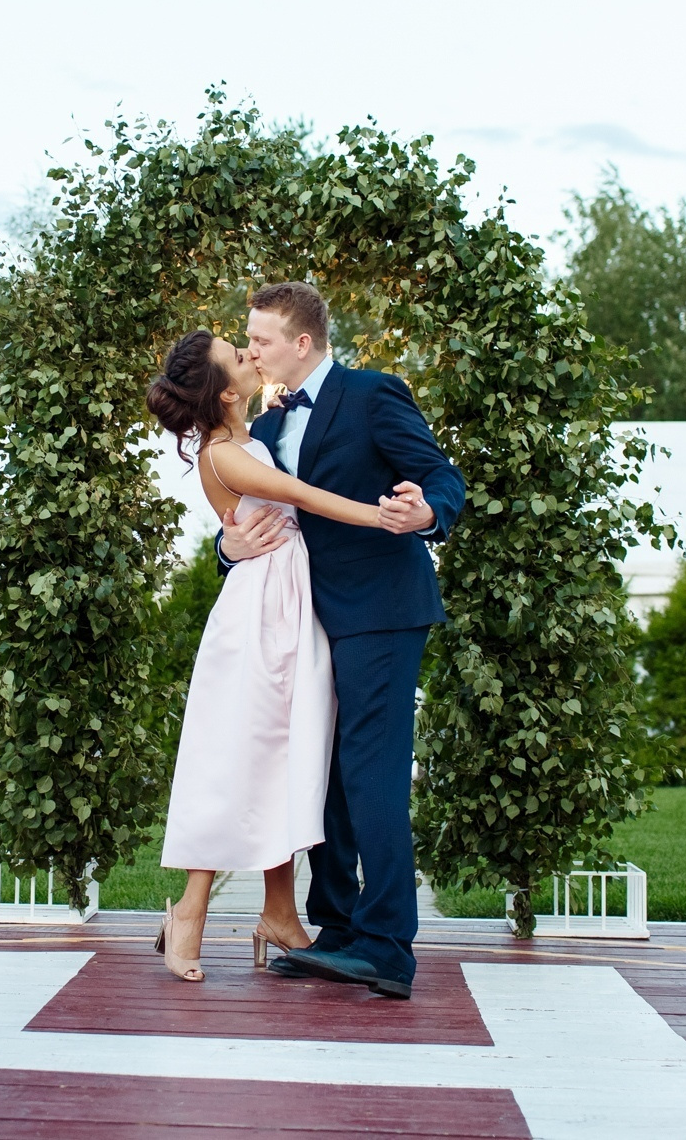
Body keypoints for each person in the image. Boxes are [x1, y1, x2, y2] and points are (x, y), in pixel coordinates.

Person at [217, 282, 464, 1000]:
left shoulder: (374, 393)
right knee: (318, 773)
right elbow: (244, 525)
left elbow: (443, 478)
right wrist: (230, 547)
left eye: (259, 339)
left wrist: (425, 514)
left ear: (301, 342)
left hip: (382, 610)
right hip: (302, 622)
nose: (250, 348)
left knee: (371, 771)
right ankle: (338, 930)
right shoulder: (261, 430)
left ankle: (387, 947)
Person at [145, 327, 403, 982]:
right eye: (239, 353)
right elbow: (303, 498)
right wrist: (383, 517)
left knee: (283, 754)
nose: (251, 354)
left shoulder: (254, 432)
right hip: (260, 612)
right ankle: (191, 912)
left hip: (290, 602)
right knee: (239, 755)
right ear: (227, 388)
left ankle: (280, 910)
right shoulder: (226, 452)